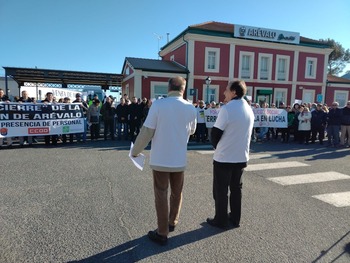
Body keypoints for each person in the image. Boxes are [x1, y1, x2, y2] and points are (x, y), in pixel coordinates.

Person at [131, 76, 197, 245]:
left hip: (161, 157)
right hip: (179, 157)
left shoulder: (159, 105)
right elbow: (192, 131)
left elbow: (147, 132)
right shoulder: (191, 107)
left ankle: (162, 232)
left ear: (168, 88)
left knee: (161, 194)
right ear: (183, 89)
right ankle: (172, 221)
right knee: (177, 192)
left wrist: (135, 151)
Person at [207, 80, 254, 229]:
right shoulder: (249, 109)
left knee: (220, 190)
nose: (224, 92)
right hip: (241, 156)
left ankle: (220, 220)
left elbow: (215, 132)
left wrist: (216, 146)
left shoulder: (227, 109)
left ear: (234, 92)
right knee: (236, 189)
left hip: (225, 157)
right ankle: (235, 218)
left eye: (226, 90)